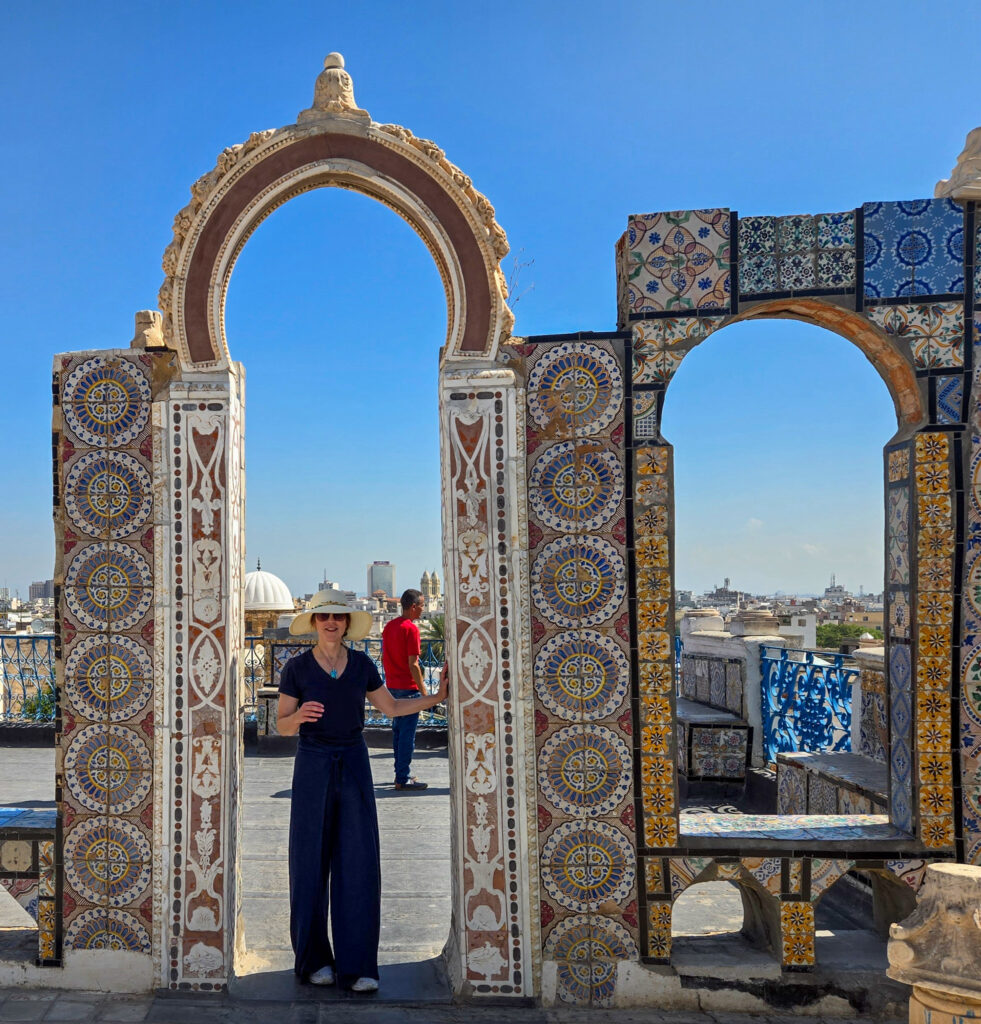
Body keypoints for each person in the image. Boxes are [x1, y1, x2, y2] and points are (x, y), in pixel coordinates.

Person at [277, 589, 448, 992]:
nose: (331, 622)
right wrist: (299, 715)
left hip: (354, 764)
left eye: (338, 616)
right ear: (315, 623)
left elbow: (390, 707)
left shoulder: (361, 666)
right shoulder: (297, 669)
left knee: (358, 860)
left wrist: (436, 698)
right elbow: (282, 725)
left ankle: (358, 967)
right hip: (313, 766)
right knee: (309, 861)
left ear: (348, 623)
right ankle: (315, 961)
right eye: (324, 617)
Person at [381, 589, 429, 790]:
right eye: (422, 605)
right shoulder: (411, 629)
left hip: (392, 687)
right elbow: (413, 664)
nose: (423, 609)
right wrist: (425, 692)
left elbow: (385, 657)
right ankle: (403, 777)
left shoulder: (389, 627)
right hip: (409, 690)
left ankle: (399, 773)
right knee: (407, 736)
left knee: (398, 733)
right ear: (413, 607)